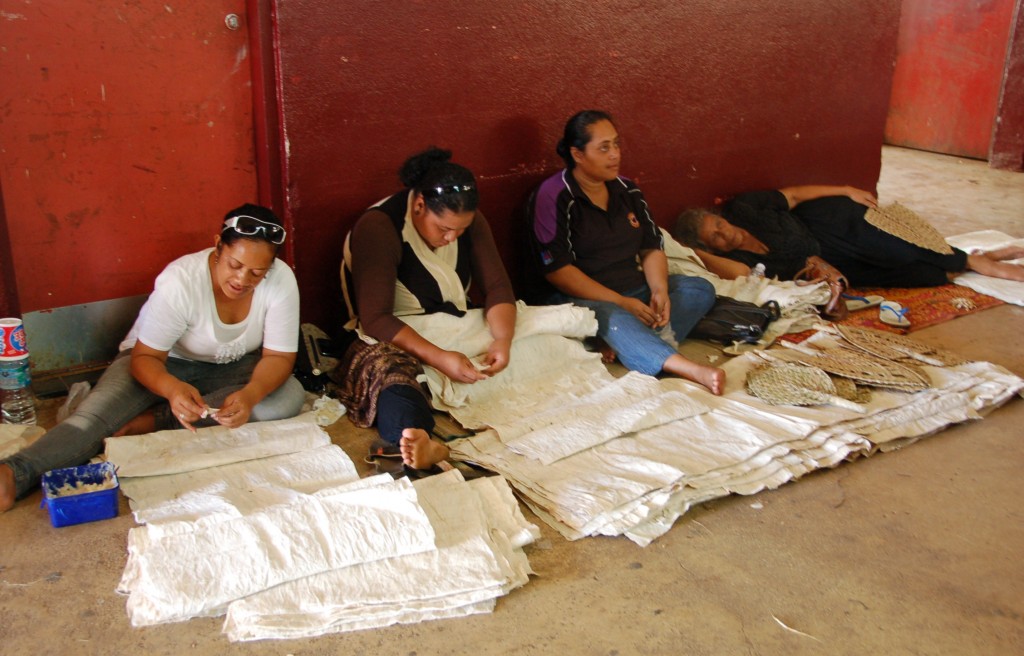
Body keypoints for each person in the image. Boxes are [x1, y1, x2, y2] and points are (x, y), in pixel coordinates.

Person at [1, 204, 306, 511]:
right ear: (217, 246)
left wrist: (250, 396)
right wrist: (172, 389)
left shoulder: (281, 281)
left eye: (257, 272)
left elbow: (279, 357)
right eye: (234, 264)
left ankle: (155, 420)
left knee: (286, 396)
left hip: (228, 367)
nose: (242, 279)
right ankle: (15, 472)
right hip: (158, 363)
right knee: (93, 421)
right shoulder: (182, 280)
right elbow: (144, 357)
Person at [337, 147, 516, 470]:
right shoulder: (380, 227)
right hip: (396, 337)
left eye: (460, 231)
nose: (451, 238)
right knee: (390, 379)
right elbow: (375, 318)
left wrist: (502, 340)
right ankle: (421, 439)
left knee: (542, 336)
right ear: (419, 205)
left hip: (455, 326)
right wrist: (440, 358)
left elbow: (498, 289)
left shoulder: (467, 221)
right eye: (444, 228)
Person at [526, 110, 724, 395]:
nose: (614, 154)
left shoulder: (626, 189)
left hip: (632, 290)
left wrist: (659, 290)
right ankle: (686, 367)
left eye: (616, 145)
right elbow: (558, 272)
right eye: (603, 148)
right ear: (578, 154)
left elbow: (651, 246)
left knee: (699, 288)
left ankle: (626, 344)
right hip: (580, 298)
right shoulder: (554, 195)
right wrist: (619, 302)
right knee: (609, 317)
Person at [672, 186, 1024, 287]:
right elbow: (740, 276)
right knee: (931, 277)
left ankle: (975, 260)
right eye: (713, 239)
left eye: (718, 226)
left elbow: (793, 196)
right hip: (829, 259)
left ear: (719, 217)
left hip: (829, 224)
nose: (724, 235)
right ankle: (972, 260)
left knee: (899, 249)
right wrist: (692, 251)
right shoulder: (739, 261)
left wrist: (845, 189)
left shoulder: (746, 207)